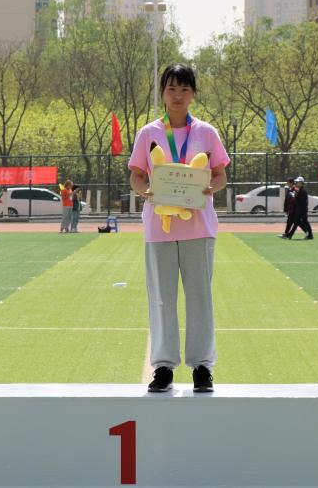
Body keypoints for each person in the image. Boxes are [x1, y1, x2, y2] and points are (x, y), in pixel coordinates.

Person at [129, 63, 229, 393]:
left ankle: (202, 366)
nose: (178, 95)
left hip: (199, 227)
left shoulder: (206, 132)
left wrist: (210, 187)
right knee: (161, 298)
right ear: (162, 92)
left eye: (185, 89)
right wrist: (146, 192)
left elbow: (220, 174)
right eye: (171, 88)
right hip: (159, 227)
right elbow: (136, 175)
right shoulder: (148, 133)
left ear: (193, 94)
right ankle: (163, 367)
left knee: (200, 297)